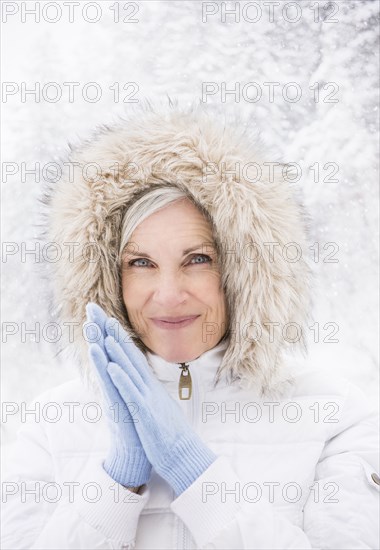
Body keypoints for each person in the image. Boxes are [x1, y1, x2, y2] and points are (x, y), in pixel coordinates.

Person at [2, 103, 379, 549]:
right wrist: (115, 483)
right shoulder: (52, 425)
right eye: (140, 262)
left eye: (197, 259)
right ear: (106, 277)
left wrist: (195, 472)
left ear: (245, 270)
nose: (168, 295)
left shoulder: (334, 415)